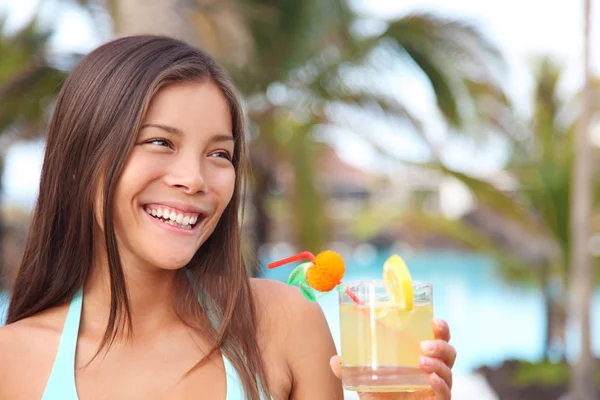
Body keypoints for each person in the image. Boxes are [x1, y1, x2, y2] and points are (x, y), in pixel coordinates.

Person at [0, 35, 456, 399]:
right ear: (81, 162)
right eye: (160, 142)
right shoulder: (12, 361)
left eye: (220, 153)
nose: (195, 179)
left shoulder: (283, 323)